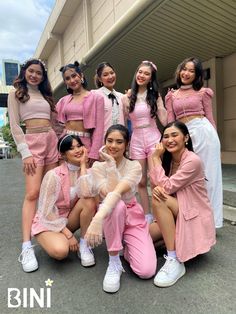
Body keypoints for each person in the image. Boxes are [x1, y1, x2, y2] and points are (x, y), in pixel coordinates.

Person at [83, 124, 157, 293]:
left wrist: (96, 219)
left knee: (146, 271)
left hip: (132, 217)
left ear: (127, 145)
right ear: (104, 142)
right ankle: (114, 261)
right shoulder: (97, 167)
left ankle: (125, 246)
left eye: (119, 142)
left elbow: (117, 191)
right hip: (111, 214)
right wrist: (109, 165)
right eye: (109, 141)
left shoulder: (134, 166)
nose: (113, 146)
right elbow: (109, 194)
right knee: (116, 205)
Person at [149, 121, 216, 288]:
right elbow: (155, 184)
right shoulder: (169, 160)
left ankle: (174, 259)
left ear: (186, 138)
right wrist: (158, 160)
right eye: (165, 137)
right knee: (142, 241)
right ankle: (172, 240)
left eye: (174, 135)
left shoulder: (192, 161)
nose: (169, 140)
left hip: (193, 213)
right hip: (176, 210)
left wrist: (155, 158)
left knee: (159, 197)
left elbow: (167, 187)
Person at [8, 58, 59, 272]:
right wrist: (25, 152)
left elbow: (55, 124)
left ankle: (48, 229)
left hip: (51, 142)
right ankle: (26, 245)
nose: (34, 75)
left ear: (43, 76)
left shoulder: (47, 96)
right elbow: (14, 125)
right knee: (32, 193)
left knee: (50, 191)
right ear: (24, 72)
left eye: (39, 73)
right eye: (31, 71)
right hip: (32, 143)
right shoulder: (16, 94)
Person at [165, 57, 223, 228]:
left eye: (191, 70)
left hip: (204, 132)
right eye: (184, 69)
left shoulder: (203, 92)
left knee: (209, 177)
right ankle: (189, 218)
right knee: (185, 175)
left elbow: (210, 117)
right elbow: (170, 121)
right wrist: (169, 139)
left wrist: (216, 143)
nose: (186, 73)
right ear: (179, 71)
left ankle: (212, 222)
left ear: (197, 74)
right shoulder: (171, 96)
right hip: (183, 135)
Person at [31, 134, 97, 267]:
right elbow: (46, 211)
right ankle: (47, 239)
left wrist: (83, 165)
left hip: (68, 219)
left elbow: (86, 194)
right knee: (61, 251)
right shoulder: (53, 175)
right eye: (71, 148)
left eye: (79, 146)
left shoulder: (88, 173)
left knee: (88, 199)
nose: (77, 150)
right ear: (63, 154)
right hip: (48, 222)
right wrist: (68, 235)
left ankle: (84, 245)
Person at [122, 61, 167, 223]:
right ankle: (147, 215)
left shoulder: (155, 96)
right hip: (136, 140)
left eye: (146, 74)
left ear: (151, 78)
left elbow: (164, 119)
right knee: (140, 181)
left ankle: (159, 213)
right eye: (140, 72)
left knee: (156, 179)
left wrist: (163, 102)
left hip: (153, 137)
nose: (141, 76)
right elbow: (123, 121)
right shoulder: (127, 98)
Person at [56, 61, 104, 165]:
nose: (72, 80)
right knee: (66, 179)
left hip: (84, 144)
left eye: (74, 76)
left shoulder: (96, 98)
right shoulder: (63, 101)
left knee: (84, 178)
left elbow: (99, 128)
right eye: (67, 78)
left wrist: (94, 153)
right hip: (66, 143)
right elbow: (56, 124)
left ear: (81, 75)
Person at [94, 62, 126, 137]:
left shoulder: (122, 97)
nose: (110, 76)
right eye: (105, 75)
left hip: (120, 140)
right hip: (102, 141)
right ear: (99, 79)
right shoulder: (95, 95)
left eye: (112, 73)